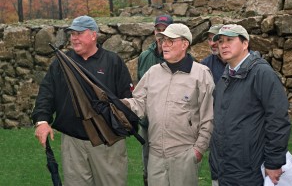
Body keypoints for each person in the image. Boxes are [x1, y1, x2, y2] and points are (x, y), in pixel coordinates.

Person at [31, 15, 133, 186]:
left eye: (79, 33)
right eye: (72, 34)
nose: (74, 38)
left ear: (93, 35)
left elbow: (127, 101)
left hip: (107, 143)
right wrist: (42, 121)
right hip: (73, 143)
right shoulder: (61, 63)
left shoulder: (113, 62)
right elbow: (46, 94)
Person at [123, 23, 215, 186]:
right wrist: (120, 104)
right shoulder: (153, 72)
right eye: (163, 40)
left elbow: (209, 117)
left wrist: (198, 150)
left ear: (185, 44)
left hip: (184, 155)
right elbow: (139, 103)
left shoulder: (201, 74)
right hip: (156, 155)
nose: (164, 44)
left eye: (170, 40)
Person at [209, 24, 291, 186]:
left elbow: (278, 120)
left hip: (249, 169)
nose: (223, 45)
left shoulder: (262, 73)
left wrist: (274, 162)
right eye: (220, 41)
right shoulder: (226, 77)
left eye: (230, 40)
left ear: (245, 44)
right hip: (225, 168)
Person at [137, 14, 173, 186]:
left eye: (165, 31)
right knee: (147, 165)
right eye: (158, 30)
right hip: (147, 122)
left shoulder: (179, 57)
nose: (161, 35)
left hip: (171, 123)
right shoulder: (144, 57)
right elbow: (139, 89)